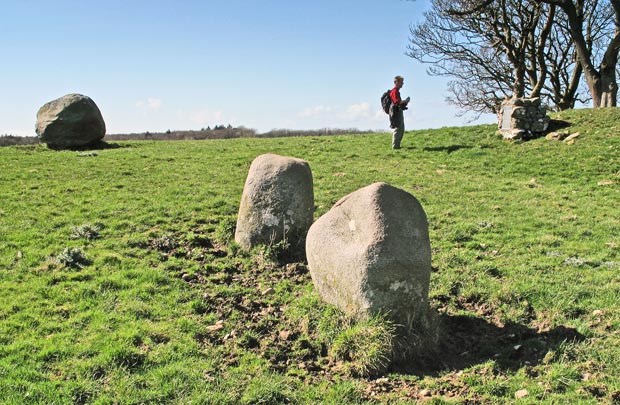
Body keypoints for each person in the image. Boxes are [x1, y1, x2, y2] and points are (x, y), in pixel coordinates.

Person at [389, 75, 410, 149]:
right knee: (398, 129)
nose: (402, 84)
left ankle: (397, 146)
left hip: (397, 111)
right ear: (396, 82)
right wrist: (405, 101)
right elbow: (397, 102)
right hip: (396, 112)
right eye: (401, 82)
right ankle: (395, 147)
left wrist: (404, 103)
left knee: (401, 128)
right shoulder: (394, 91)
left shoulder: (396, 91)